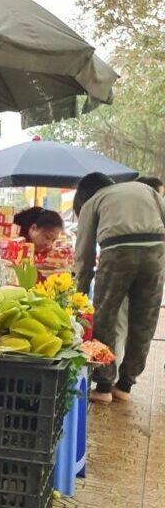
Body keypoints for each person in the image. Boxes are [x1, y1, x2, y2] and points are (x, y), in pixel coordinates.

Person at [73, 172, 165, 403]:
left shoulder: (93, 202)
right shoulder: (145, 189)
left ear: (84, 194)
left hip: (117, 252)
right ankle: (125, 384)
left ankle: (103, 386)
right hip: (156, 251)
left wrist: (79, 296)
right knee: (145, 319)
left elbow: (83, 256)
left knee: (104, 317)